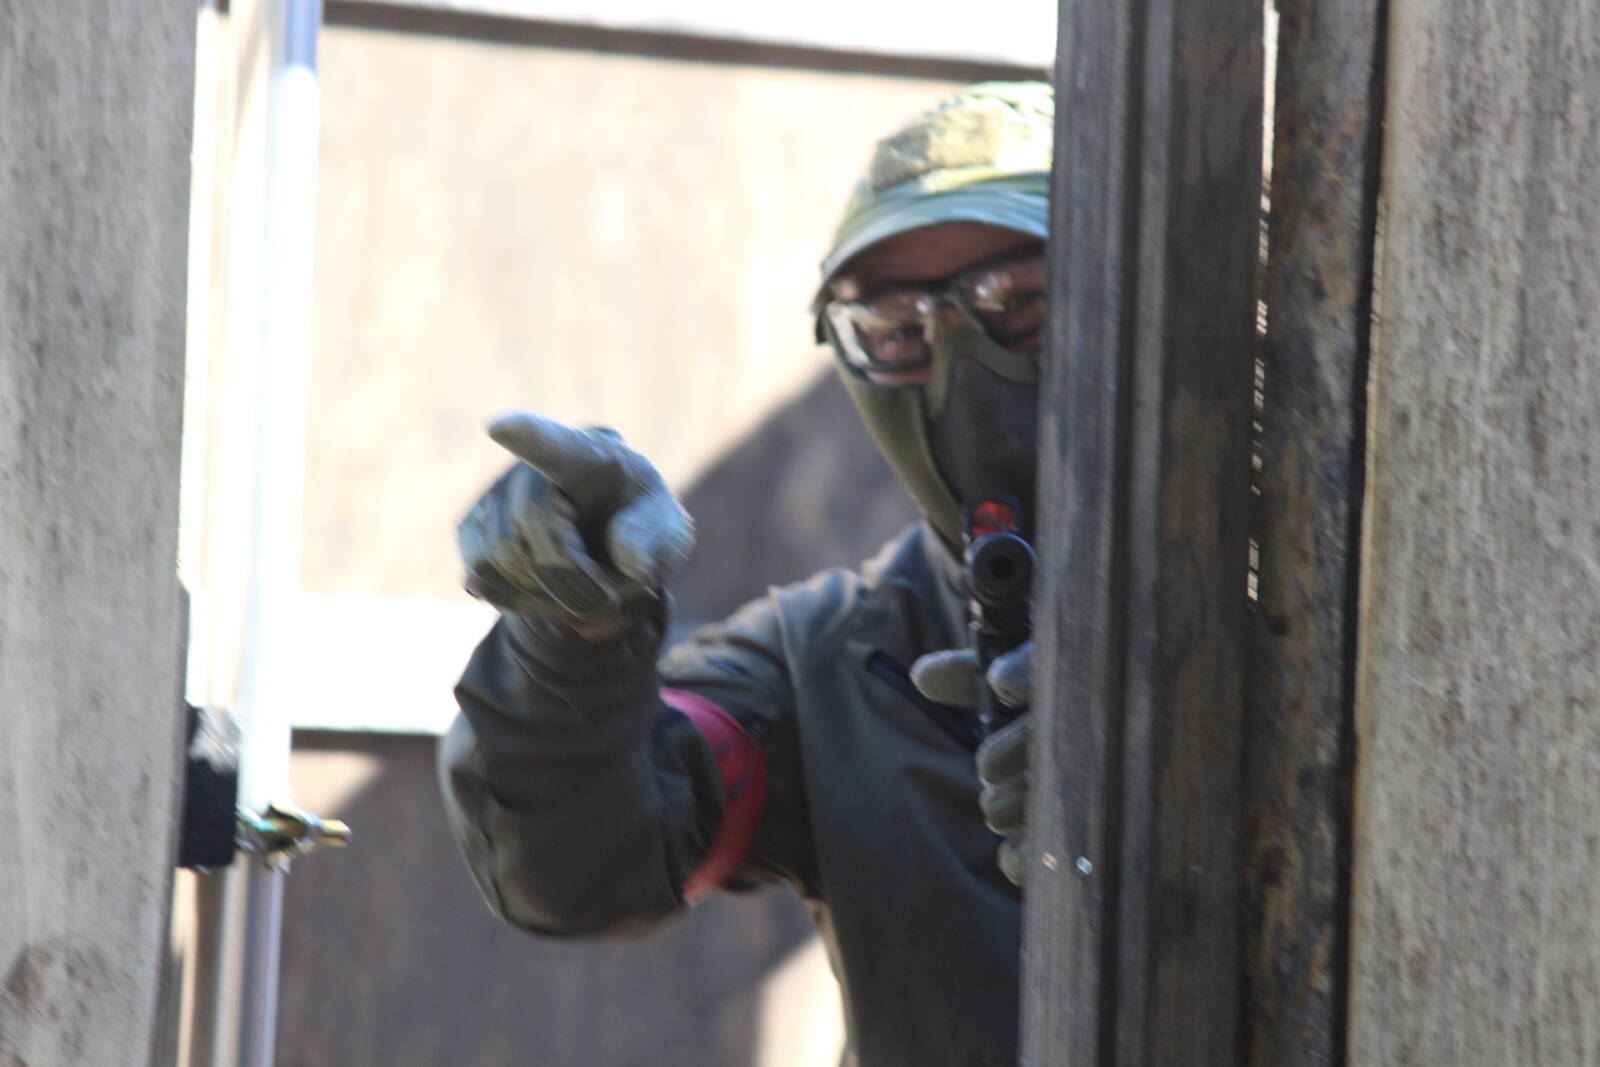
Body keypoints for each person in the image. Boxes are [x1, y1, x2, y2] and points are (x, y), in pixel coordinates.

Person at [439, 81, 1051, 1067]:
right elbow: (583, 868)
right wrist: (571, 641)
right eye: (896, 326)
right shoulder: (834, 662)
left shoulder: (1285, 590)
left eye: (1016, 301)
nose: (958, 357)